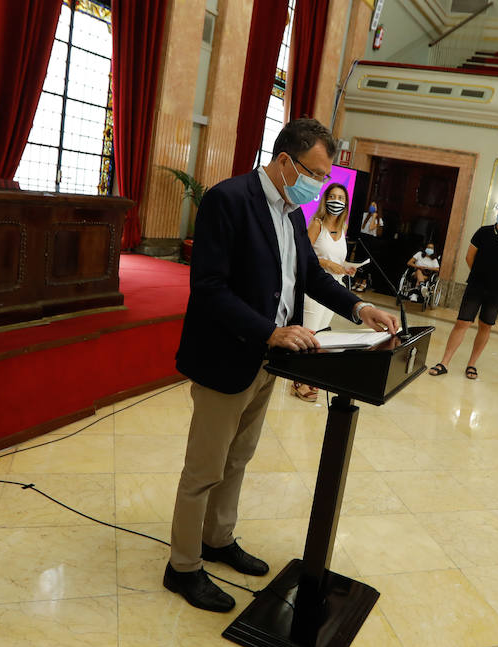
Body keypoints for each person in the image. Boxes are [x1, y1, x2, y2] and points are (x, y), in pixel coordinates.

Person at [169, 119, 398, 613]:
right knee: (205, 468)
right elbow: (208, 288)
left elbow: (310, 275)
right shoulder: (229, 200)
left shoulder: (293, 212)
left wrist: (359, 307)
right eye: (314, 173)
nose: (320, 184)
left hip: (267, 361)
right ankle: (183, 566)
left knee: (238, 458)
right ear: (284, 161)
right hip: (226, 355)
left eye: (324, 175)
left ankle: (217, 538)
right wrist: (267, 330)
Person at [426, 201, 498, 380]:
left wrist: (497, 278)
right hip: (476, 285)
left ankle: (471, 364)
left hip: (497, 291)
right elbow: (469, 256)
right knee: (462, 322)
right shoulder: (483, 232)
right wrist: (480, 274)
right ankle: (444, 362)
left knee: (485, 326)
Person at [291, 183, 356, 402]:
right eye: (333, 196)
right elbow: (302, 255)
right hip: (314, 287)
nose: (337, 201)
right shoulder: (317, 225)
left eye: (341, 198)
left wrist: (346, 267)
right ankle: (299, 380)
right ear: (325, 199)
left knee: (320, 335)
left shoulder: (344, 228)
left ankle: (307, 376)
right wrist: (327, 264)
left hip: (334, 288)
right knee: (309, 333)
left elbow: (337, 259)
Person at [352, 201, 384, 293]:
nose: (372, 207)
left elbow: (370, 228)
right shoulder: (365, 215)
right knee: (358, 260)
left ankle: (364, 282)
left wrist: (374, 217)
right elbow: (362, 227)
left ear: (378, 208)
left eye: (374, 205)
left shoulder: (379, 220)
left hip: (370, 241)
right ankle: (357, 281)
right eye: (371, 205)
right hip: (362, 238)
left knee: (366, 262)